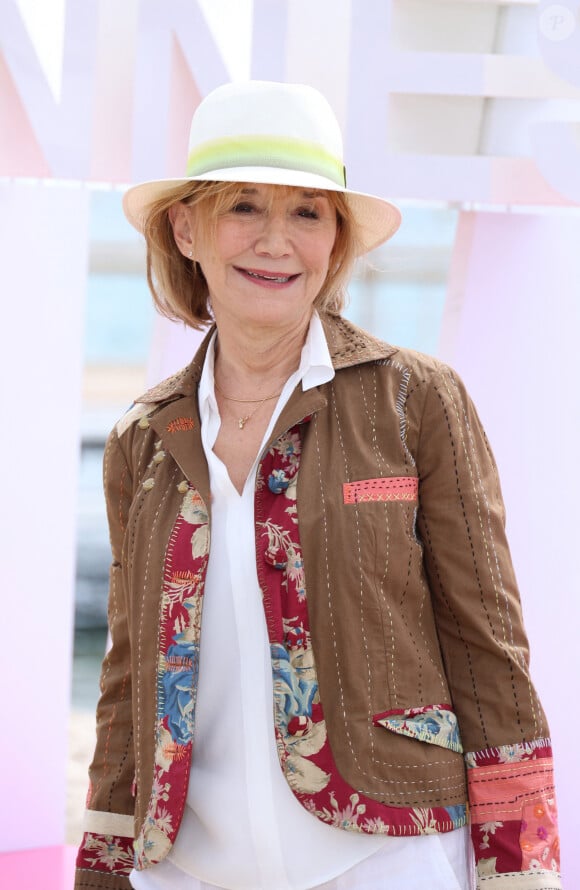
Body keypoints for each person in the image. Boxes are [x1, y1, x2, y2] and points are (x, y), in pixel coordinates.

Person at [75, 81, 561, 890]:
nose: (276, 241)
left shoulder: (415, 401)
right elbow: (129, 681)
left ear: (335, 241)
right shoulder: (141, 440)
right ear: (186, 228)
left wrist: (522, 870)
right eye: (243, 208)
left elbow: (488, 651)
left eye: (307, 213)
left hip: (386, 858)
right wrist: (102, 871)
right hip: (185, 868)